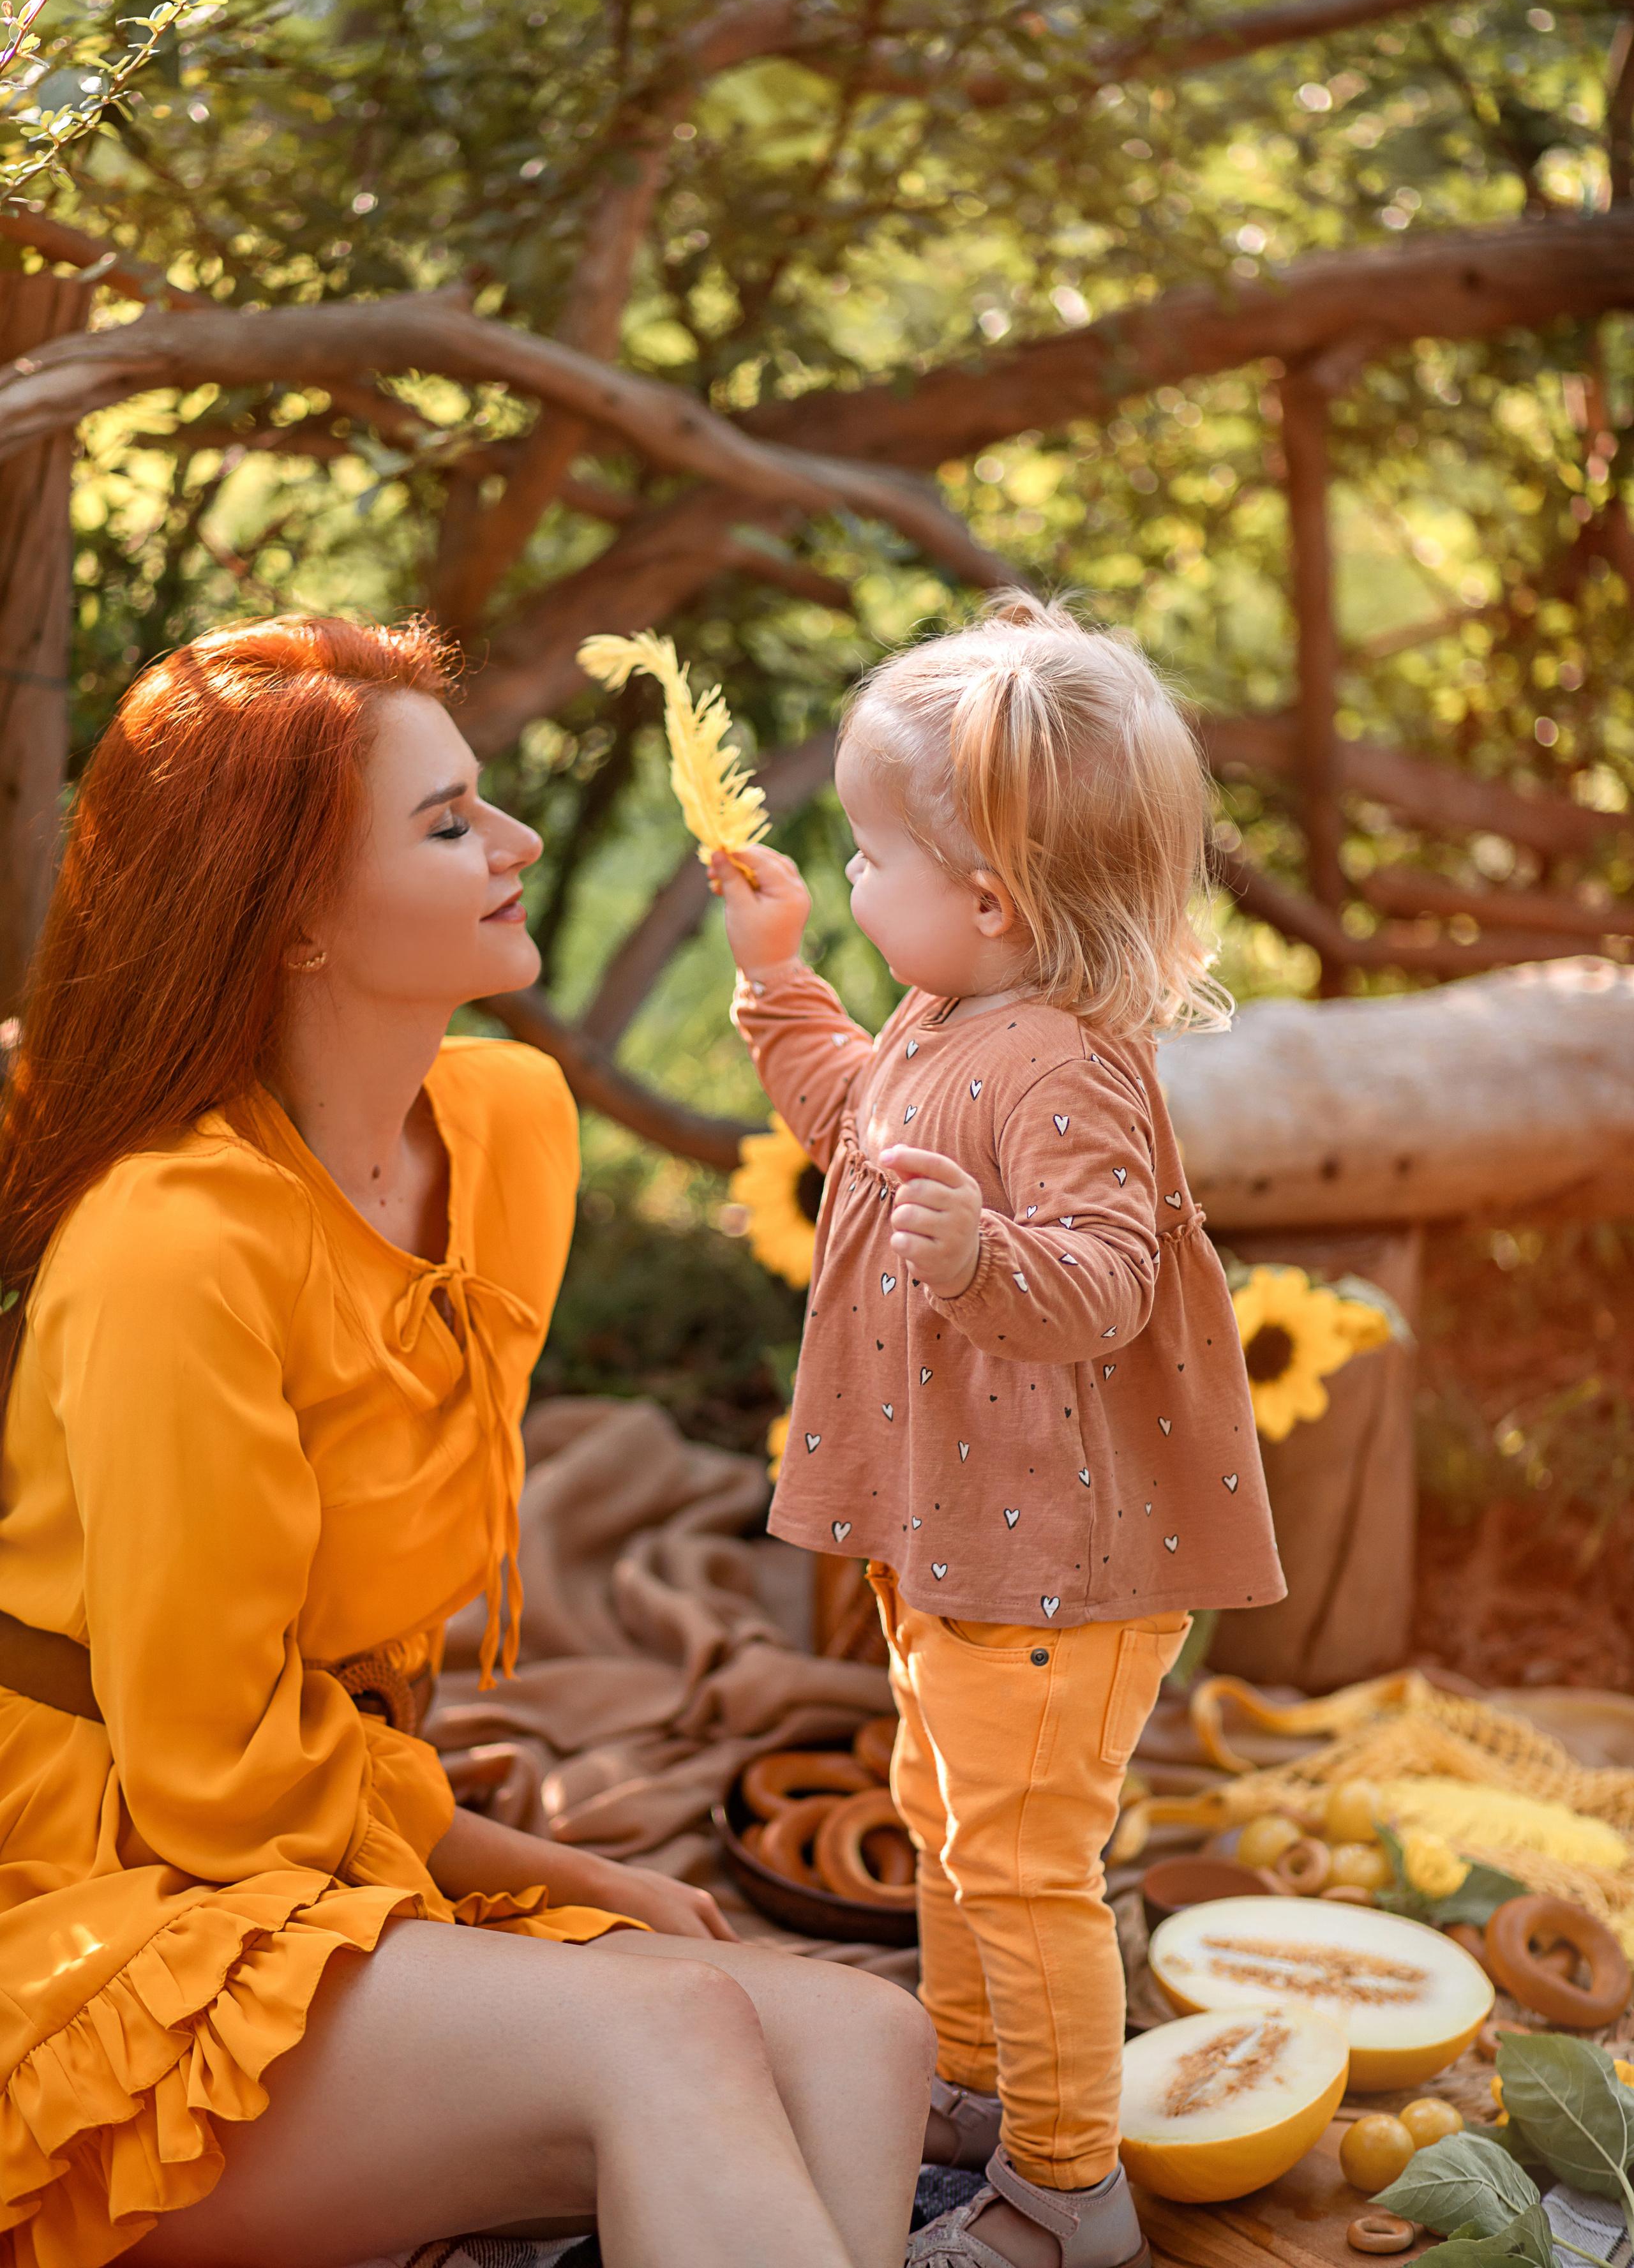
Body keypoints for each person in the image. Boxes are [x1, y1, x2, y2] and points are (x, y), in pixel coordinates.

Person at [0, 615, 932, 2268]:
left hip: (332, 1841)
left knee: (873, 2042)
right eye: (445, 826)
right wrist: (558, 1870)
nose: (511, 847)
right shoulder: (176, 1244)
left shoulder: (508, 1127)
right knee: (669, 2028)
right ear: (288, 914)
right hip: (109, 1902)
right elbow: (217, 1787)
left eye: (483, 803)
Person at [714, 595, 1285, 2268]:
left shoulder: (1065, 1074)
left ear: (991, 899)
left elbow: (1102, 1287)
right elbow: (852, 1123)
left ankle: (1066, 2185)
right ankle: (982, 2083)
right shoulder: (946, 1021)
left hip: (1063, 1562)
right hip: (964, 1532)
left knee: (1027, 1863)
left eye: (871, 857)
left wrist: (984, 1254)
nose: (856, 877)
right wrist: (780, 982)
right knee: (955, 1816)